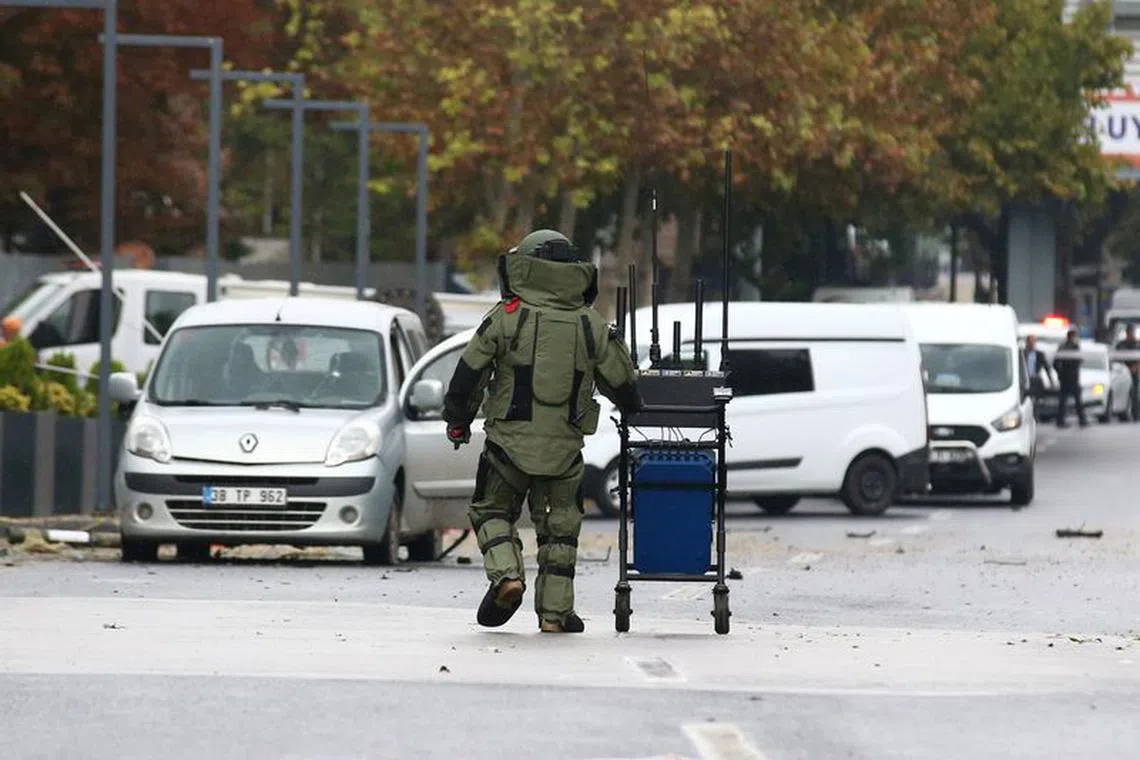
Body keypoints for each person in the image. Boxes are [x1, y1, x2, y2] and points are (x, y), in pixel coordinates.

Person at [443, 229, 643, 634]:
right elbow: (623, 384)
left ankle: (507, 576)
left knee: (492, 512)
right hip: (565, 452)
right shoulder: (591, 324)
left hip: (506, 448)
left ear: (524, 267)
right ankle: (554, 614)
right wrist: (633, 408)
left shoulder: (507, 316)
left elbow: (467, 376)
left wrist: (458, 420)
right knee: (560, 530)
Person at [1053, 328, 1086, 428]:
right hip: (1072, 377)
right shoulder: (1075, 347)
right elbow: (1079, 360)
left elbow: (1055, 363)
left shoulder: (1062, 347)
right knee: (1077, 400)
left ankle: (1060, 420)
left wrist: (1060, 373)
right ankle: (1082, 420)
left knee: (1063, 400)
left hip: (1065, 377)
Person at [1023, 334, 1054, 420]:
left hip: (1035, 379)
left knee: (1036, 400)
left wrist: (1051, 381)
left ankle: (1035, 415)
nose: (1031, 344)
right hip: (1025, 379)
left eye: (1033, 342)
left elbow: (1046, 367)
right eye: (1029, 342)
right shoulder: (1022, 353)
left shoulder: (1039, 354)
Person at [1114, 325, 1140, 422]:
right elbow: (1115, 358)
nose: (1131, 334)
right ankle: (1123, 414)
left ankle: (1136, 415)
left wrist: (1137, 367)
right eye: (1130, 333)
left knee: (1135, 395)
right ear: (1127, 333)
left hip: (1135, 373)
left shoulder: (1138, 344)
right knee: (1123, 393)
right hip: (1121, 372)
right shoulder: (1121, 344)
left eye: (1132, 332)